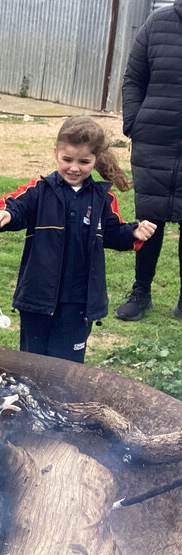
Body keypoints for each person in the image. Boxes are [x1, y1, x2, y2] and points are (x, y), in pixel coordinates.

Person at [0, 116, 156, 363]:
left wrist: (133, 233)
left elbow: (112, 233)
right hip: (37, 299)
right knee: (32, 364)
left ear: (96, 159)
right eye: (67, 160)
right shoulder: (39, 190)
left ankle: (62, 403)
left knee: (67, 368)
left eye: (84, 161)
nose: (74, 167)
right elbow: (15, 207)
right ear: (56, 153)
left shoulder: (103, 198)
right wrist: (3, 214)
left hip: (79, 301)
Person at [114, 0, 182, 321]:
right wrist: (134, 122)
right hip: (154, 142)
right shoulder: (157, 22)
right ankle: (141, 292)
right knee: (150, 221)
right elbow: (133, 77)